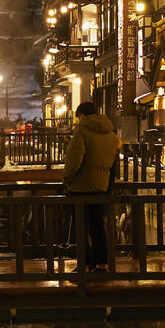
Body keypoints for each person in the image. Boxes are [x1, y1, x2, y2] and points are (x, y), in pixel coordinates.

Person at [64, 102, 122, 272]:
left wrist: (67, 179)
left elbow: (74, 159)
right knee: (97, 226)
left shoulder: (81, 132)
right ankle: (102, 263)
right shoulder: (110, 134)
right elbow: (113, 164)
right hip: (101, 187)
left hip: (81, 187)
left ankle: (85, 263)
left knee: (80, 227)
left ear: (82, 116)